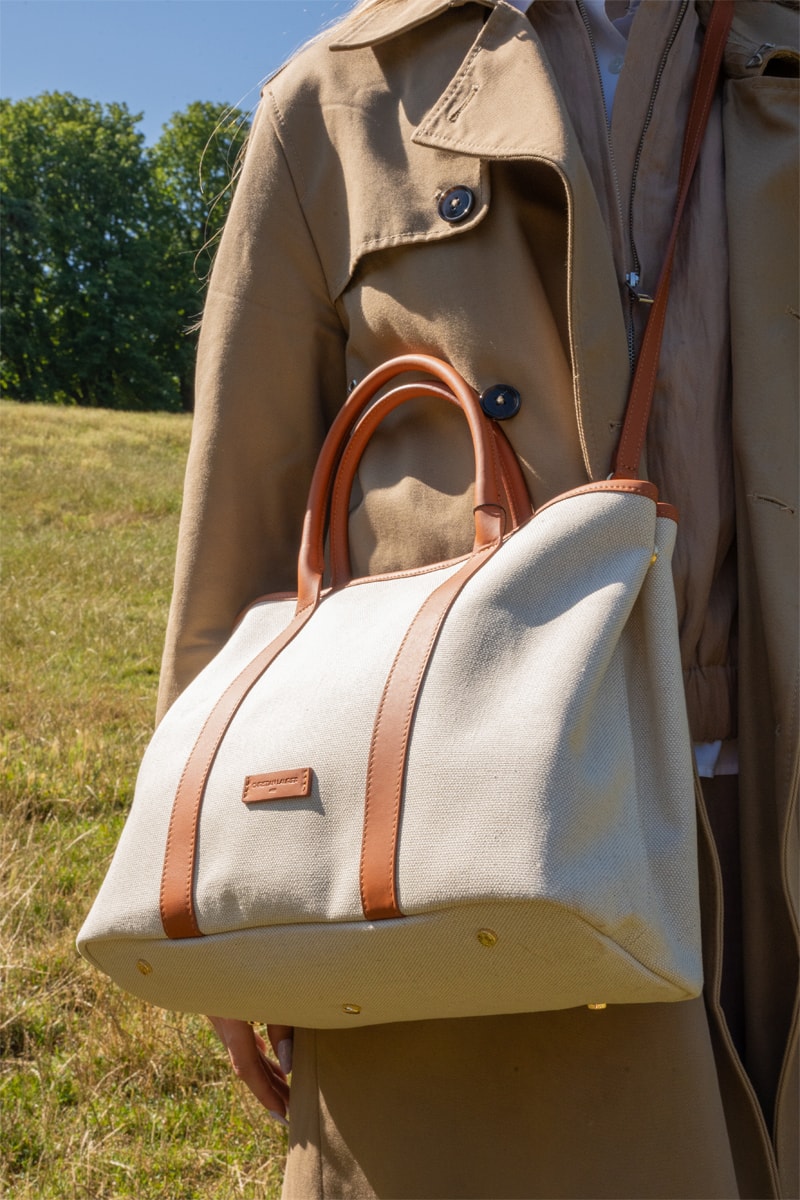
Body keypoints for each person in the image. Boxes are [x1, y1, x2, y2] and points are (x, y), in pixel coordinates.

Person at [156, 0, 799, 1196]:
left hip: (771, 816)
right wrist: (222, 887)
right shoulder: (334, 100)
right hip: (464, 844)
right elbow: (241, 526)